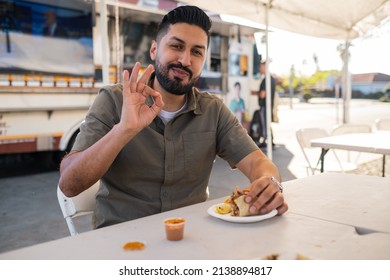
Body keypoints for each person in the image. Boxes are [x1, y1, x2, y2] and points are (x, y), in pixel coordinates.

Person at [59, 5, 287, 229]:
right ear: (153, 50)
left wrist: (268, 183)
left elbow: (258, 162)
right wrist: (124, 129)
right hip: (120, 242)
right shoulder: (113, 100)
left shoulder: (213, 111)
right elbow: (69, 184)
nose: (185, 60)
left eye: (196, 52)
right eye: (176, 46)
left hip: (188, 238)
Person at [257, 61, 276, 147]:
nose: (260, 69)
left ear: (265, 67)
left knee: (264, 123)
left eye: (261, 67)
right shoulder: (272, 79)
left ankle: (265, 141)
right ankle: (271, 141)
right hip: (269, 105)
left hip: (264, 106)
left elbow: (262, 94)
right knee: (268, 123)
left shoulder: (266, 80)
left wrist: (258, 94)